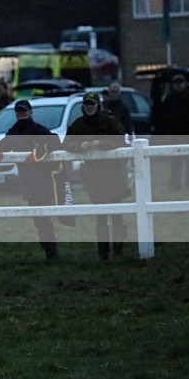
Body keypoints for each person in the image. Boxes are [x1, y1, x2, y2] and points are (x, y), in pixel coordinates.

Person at [0, 99, 61, 260]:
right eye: (19, 111)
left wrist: (37, 154)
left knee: (43, 217)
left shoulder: (38, 129)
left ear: (30, 112)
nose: (22, 114)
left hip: (43, 179)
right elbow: (1, 143)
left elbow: (55, 141)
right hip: (27, 180)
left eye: (24, 111)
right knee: (39, 219)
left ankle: (51, 253)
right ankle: (49, 251)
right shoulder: (14, 131)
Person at [64, 92, 129, 260]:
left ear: (98, 105)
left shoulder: (110, 120)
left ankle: (119, 252)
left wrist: (101, 143)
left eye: (92, 104)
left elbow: (122, 140)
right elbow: (67, 143)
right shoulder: (79, 124)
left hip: (113, 174)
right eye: (86, 104)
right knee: (100, 216)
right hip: (93, 176)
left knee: (116, 213)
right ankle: (103, 255)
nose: (89, 107)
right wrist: (80, 145)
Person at [157, 73, 189, 190]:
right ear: (173, 85)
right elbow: (163, 117)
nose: (178, 85)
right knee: (175, 161)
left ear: (185, 83)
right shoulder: (169, 98)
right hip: (175, 134)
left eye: (180, 82)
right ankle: (175, 185)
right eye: (176, 83)